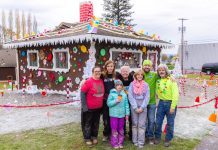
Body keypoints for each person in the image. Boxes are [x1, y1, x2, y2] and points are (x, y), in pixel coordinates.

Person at [154, 64, 179, 147]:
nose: (161, 71)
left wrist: (173, 106)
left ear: (166, 71)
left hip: (170, 103)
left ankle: (168, 139)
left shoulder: (172, 80)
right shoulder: (158, 81)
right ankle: (157, 137)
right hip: (161, 103)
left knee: (170, 123)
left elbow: (176, 95)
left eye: (163, 70)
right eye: (159, 70)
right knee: (158, 122)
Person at [80, 66, 105, 146]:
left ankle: (94, 136)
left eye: (99, 71)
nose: (97, 72)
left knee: (96, 123)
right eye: (96, 71)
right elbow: (82, 93)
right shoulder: (88, 81)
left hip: (98, 108)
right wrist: (84, 106)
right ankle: (87, 138)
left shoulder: (101, 80)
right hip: (89, 108)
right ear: (93, 72)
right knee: (88, 123)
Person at [128, 69, 150, 148]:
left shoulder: (146, 85)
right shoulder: (132, 84)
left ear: (143, 76)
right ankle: (135, 141)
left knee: (141, 125)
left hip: (143, 108)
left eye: (141, 75)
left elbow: (147, 97)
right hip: (134, 108)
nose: (140, 76)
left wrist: (142, 107)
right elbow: (130, 96)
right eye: (138, 74)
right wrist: (135, 107)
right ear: (135, 76)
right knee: (134, 124)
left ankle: (141, 141)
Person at [107, 80, 130, 149]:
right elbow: (108, 104)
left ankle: (120, 142)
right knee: (114, 129)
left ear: (122, 86)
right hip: (114, 115)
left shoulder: (124, 94)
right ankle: (114, 143)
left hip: (122, 115)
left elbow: (126, 105)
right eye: (117, 85)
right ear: (115, 86)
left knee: (121, 129)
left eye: (120, 85)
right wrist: (115, 101)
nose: (119, 86)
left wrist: (127, 114)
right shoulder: (112, 94)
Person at [142, 60, 159, 144]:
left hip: (152, 102)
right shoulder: (140, 74)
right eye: (145, 65)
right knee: (144, 121)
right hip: (142, 103)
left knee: (151, 120)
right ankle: (144, 136)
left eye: (149, 65)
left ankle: (150, 136)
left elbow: (164, 75)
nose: (147, 67)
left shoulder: (154, 75)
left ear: (151, 67)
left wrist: (171, 77)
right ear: (142, 66)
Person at [116, 65, 134, 140]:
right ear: (121, 72)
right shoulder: (118, 80)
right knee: (122, 117)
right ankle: (122, 133)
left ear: (129, 72)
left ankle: (131, 133)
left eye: (126, 71)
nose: (125, 73)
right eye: (123, 71)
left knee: (131, 118)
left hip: (131, 101)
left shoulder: (132, 78)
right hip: (122, 101)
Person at [101, 60, 116, 141]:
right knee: (106, 118)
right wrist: (83, 81)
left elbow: (125, 81)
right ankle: (106, 134)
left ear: (113, 67)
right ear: (106, 67)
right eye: (108, 66)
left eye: (111, 66)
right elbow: (94, 78)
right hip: (105, 100)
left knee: (113, 116)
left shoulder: (116, 75)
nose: (110, 68)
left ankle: (112, 133)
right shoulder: (102, 75)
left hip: (114, 100)